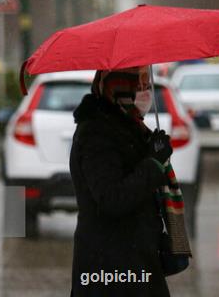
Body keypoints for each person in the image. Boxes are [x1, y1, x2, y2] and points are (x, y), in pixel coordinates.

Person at [69, 66, 173, 296]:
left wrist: (151, 149)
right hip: (109, 270)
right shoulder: (97, 133)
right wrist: (153, 163)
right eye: (137, 85)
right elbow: (111, 199)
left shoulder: (128, 125)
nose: (144, 92)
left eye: (147, 85)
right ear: (116, 87)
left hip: (134, 264)